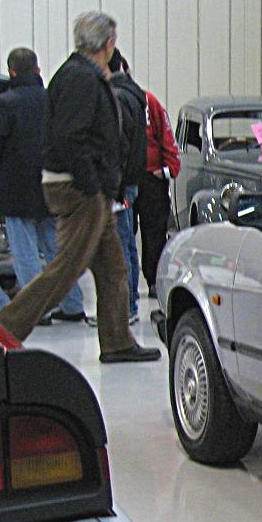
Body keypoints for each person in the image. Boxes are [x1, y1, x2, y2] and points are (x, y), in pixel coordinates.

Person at [0, 11, 160, 362]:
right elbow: (73, 138)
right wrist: (94, 186)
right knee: (63, 271)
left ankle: (117, 342)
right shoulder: (81, 79)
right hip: (79, 188)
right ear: (109, 44)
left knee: (113, 267)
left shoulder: (79, 74)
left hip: (84, 186)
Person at [0, 47, 86, 324]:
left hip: (16, 190)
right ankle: (73, 305)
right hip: (52, 186)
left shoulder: (4, 104)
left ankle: (39, 310)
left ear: (12, 71)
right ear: (37, 70)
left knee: (25, 253)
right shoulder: (53, 100)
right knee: (56, 251)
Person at [107, 50, 145, 323]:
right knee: (128, 243)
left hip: (120, 183)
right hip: (132, 179)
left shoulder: (117, 98)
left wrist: (113, 184)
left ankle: (126, 308)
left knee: (120, 246)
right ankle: (131, 302)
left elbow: (117, 145)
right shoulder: (135, 95)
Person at [135, 75, 179, 298]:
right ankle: (130, 284)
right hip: (127, 177)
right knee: (123, 234)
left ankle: (153, 280)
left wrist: (168, 169)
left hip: (151, 177)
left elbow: (166, 136)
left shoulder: (148, 102)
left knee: (154, 231)